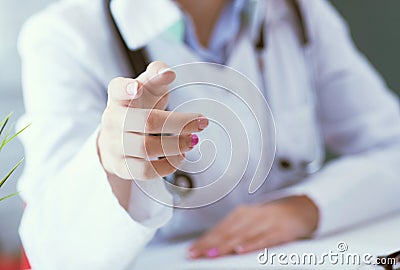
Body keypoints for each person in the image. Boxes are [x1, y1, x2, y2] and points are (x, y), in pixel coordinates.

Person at [17, 0, 400, 269]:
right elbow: (58, 255)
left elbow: (392, 145)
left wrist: (307, 206)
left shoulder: (300, 12)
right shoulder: (64, 37)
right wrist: (112, 161)